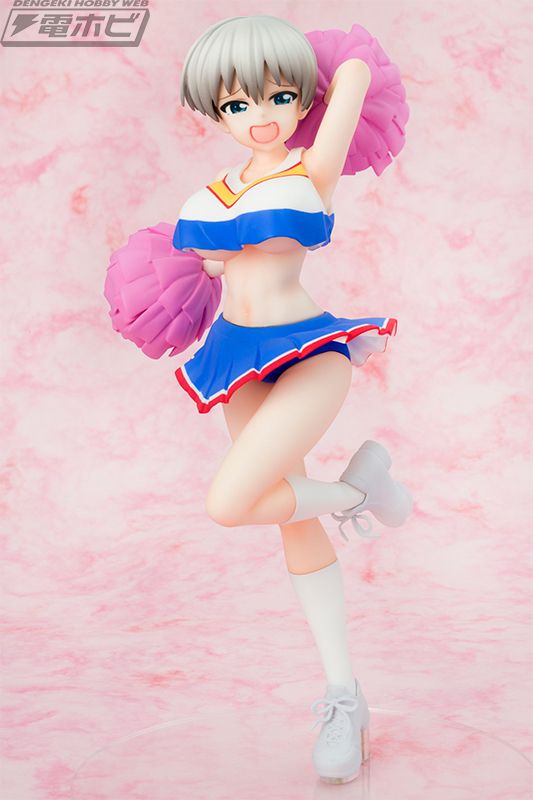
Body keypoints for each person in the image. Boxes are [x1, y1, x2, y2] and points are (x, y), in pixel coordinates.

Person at [174, 14, 413, 784]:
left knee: (230, 502)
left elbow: (354, 73)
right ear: (214, 111)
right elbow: (208, 268)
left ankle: (355, 491)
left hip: (308, 352)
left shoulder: (311, 168)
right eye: (237, 102)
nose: (260, 115)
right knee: (290, 519)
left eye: (278, 96)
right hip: (237, 359)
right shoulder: (213, 191)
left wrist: (310, 68)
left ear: (302, 99)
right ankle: (345, 696)